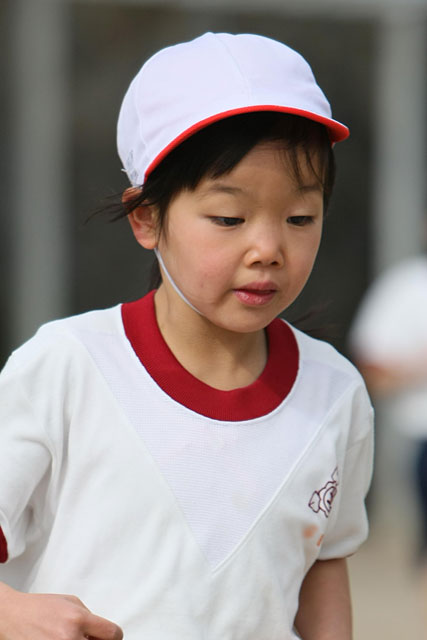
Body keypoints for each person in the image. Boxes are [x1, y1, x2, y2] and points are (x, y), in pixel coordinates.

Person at [0, 32, 373, 640]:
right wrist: (12, 614)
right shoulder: (66, 366)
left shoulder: (334, 391)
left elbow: (322, 562)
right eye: (229, 218)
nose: (268, 248)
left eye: (300, 217)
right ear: (147, 218)